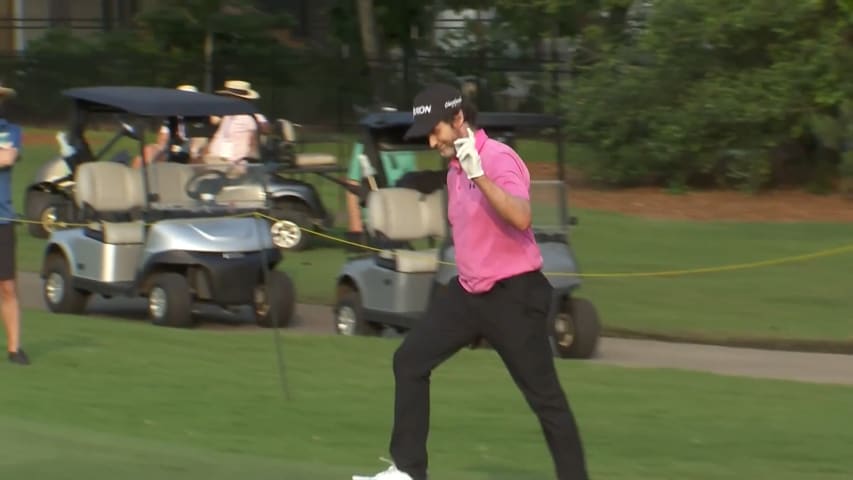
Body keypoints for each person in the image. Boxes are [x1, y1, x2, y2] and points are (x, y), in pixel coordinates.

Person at [353, 84, 588, 480]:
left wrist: (481, 176)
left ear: (459, 119)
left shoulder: (498, 158)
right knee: (409, 360)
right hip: (467, 293)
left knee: (545, 398)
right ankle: (409, 471)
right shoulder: (454, 171)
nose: (431, 140)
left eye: (436, 130)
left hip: (514, 295)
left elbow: (521, 217)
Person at [0, 85, 28, 366]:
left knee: (7, 286)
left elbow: (7, 158)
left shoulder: (12, 130)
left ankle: (14, 348)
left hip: (2, 219)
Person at [203, 80, 269, 165]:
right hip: (218, 160)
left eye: (228, 96)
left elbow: (265, 129)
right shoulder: (227, 114)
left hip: (237, 163)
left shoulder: (250, 117)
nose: (225, 98)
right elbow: (215, 123)